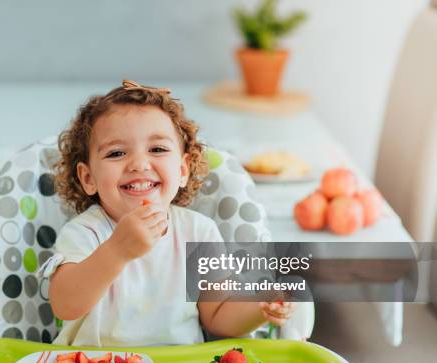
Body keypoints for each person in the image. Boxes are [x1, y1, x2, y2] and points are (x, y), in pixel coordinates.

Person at [39, 79, 293, 347]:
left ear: (182, 171)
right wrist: (117, 250)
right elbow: (65, 305)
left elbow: (218, 314)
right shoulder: (84, 233)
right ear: (88, 177)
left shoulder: (198, 232)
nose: (138, 164)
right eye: (116, 153)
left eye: (157, 149)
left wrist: (260, 308)